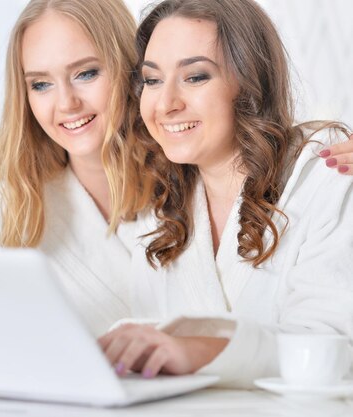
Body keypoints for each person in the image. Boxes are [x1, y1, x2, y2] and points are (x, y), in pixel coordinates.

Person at [99, 0, 353, 387]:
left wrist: (202, 351)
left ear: (248, 83)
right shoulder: (160, 213)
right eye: (151, 80)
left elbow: (331, 347)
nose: (166, 103)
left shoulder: (325, 174)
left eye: (196, 76)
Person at [0, 0, 148, 337]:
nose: (66, 103)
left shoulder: (192, 190)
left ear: (129, 69)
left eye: (86, 73)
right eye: (41, 84)